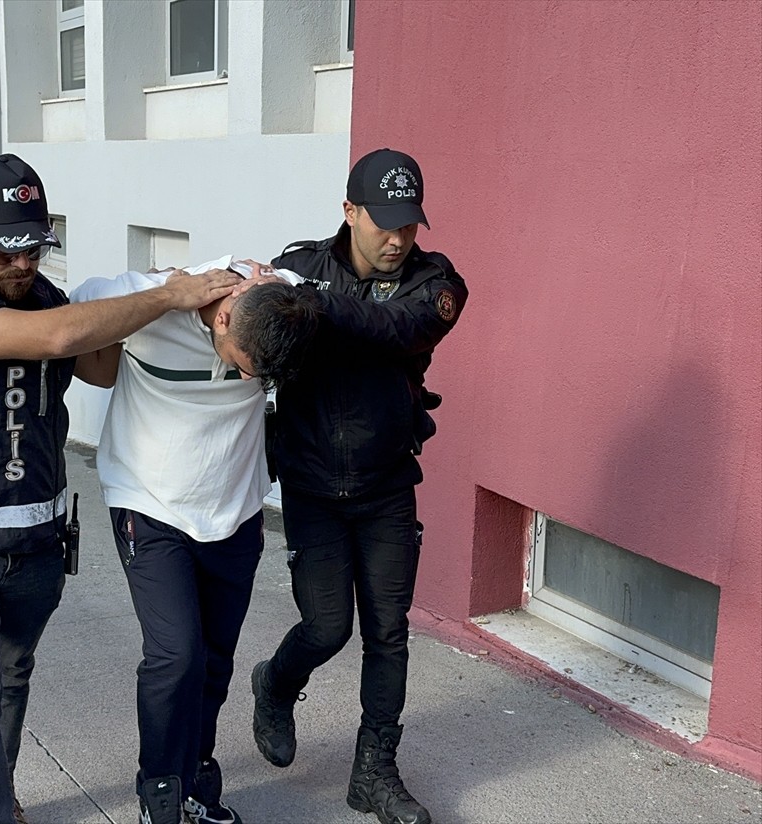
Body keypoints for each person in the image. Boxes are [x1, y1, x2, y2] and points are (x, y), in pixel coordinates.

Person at [0, 152, 240, 824]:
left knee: (11, 679)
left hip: (36, 542)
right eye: (4, 251)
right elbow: (56, 338)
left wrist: (177, 302)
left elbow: (99, 367)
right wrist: (168, 294)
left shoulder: (47, 295)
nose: (22, 266)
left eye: (35, 249)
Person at [248, 149, 467, 824]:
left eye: (410, 224)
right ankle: (275, 683)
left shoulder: (437, 283)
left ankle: (374, 772)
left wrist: (313, 305)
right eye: (384, 223)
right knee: (326, 626)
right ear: (350, 212)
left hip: (386, 487)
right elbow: (254, 334)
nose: (399, 239)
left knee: (388, 633)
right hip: (313, 486)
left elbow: (398, 328)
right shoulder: (302, 267)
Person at [70, 258, 322, 824]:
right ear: (223, 318)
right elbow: (74, 308)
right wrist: (163, 296)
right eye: (243, 366)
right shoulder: (149, 296)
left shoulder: (281, 297)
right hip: (150, 504)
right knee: (175, 654)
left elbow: (302, 280)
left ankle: (197, 782)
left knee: (213, 662)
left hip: (234, 512)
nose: (250, 379)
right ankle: (159, 791)